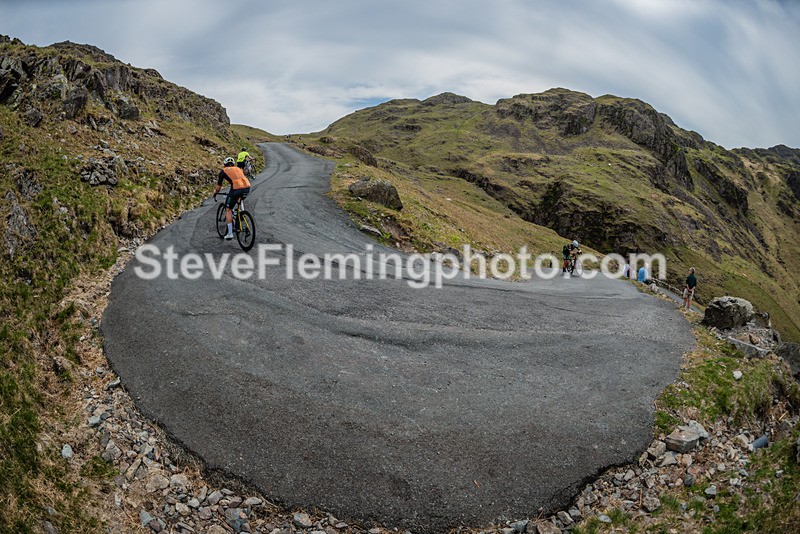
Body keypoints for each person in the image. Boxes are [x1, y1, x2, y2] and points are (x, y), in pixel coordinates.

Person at [213, 157, 251, 240]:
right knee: (239, 199)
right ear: (233, 164)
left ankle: (230, 233)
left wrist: (215, 193)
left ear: (224, 164)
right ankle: (240, 213)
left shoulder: (223, 171)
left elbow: (219, 187)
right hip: (247, 187)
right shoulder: (238, 169)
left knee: (228, 209)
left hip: (236, 189)